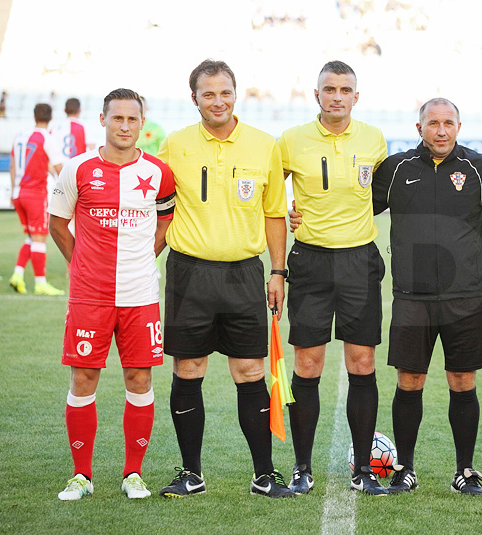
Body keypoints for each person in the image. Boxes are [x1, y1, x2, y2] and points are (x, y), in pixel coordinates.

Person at [157, 59, 293, 499]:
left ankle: (264, 475)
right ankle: (190, 473)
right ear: (193, 97)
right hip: (188, 273)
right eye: (208, 93)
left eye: (225, 92)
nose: (218, 101)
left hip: (243, 274)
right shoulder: (174, 145)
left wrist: (277, 270)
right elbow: (155, 203)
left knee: (250, 371)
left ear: (237, 93)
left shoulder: (263, 144)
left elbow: (274, 212)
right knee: (188, 368)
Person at [48, 88, 176, 500]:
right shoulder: (77, 168)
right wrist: (81, 264)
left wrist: (140, 261)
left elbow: (163, 228)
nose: (124, 126)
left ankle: (132, 474)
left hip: (140, 295)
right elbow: (57, 225)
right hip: (90, 296)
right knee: (84, 378)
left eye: (132, 119)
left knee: (139, 378)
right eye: (117, 118)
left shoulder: (160, 172)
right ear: (102, 120)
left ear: (143, 122)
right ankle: (81, 475)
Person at [371, 98, 482, 495]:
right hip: (411, 298)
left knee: (463, 381)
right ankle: (405, 469)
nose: (441, 130)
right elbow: (356, 212)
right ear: (419, 127)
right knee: (410, 381)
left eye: (448, 123)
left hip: (465, 298)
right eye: (433, 123)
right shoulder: (396, 170)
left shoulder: (480, 169)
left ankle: (465, 470)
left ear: (459, 126)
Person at [277, 60, 389, 495]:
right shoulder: (291, 141)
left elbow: (380, 193)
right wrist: (286, 211)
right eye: (330, 89)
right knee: (308, 364)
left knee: (362, 363)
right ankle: (302, 466)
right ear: (317, 94)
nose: (337, 96)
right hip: (311, 262)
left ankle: (362, 468)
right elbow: (270, 192)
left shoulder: (373, 139)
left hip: (360, 261)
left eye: (345, 89)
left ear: (356, 96)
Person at [9, 103, 66, 295]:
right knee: (40, 238)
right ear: (50, 118)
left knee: (31, 237)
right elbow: (60, 169)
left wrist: (13, 191)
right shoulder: (47, 138)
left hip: (18, 193)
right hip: (35, 194)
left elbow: (12, 165)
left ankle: (17, 274)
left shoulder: (20, 136)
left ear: (34, 117)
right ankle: (40, 283)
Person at [50, 98, 90, 162]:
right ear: (79, 110)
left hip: (59, 169)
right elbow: (92, 148)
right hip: (78, 168)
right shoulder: (84, 126)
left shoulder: (54, 128)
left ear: (64, 110)